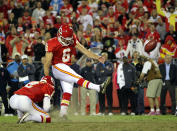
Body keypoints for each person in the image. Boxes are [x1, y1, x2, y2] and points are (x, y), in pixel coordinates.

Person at [44, 24, 111, 118]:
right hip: (57, 66)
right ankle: (98, 87)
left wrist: (97, 57)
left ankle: (62, 114)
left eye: (68, 39)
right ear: (59, 35)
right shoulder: (52, 42)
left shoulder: (72, 38)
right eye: (65, 39)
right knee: (77, 77)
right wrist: (47, 78)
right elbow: (47, 63)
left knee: (68, 91)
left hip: (67, 67)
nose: (67, 41)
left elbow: (85, 51)